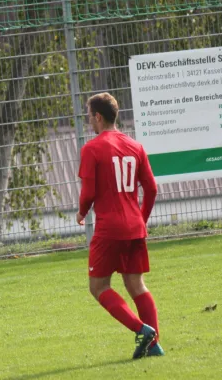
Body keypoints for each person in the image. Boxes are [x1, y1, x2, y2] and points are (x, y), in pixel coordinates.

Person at [76, 92, 164, 359]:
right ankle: (154, 344)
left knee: (98, 286)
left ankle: (142, 330)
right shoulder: (136, 146)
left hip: (109, 228)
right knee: (136, 284)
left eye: (89, 115)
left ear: (98, 117)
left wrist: (81, 213)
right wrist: (141, 219)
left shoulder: (92, 148)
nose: (88, 120)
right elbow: (152, 189)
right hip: (134, 225)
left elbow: (89, 192)